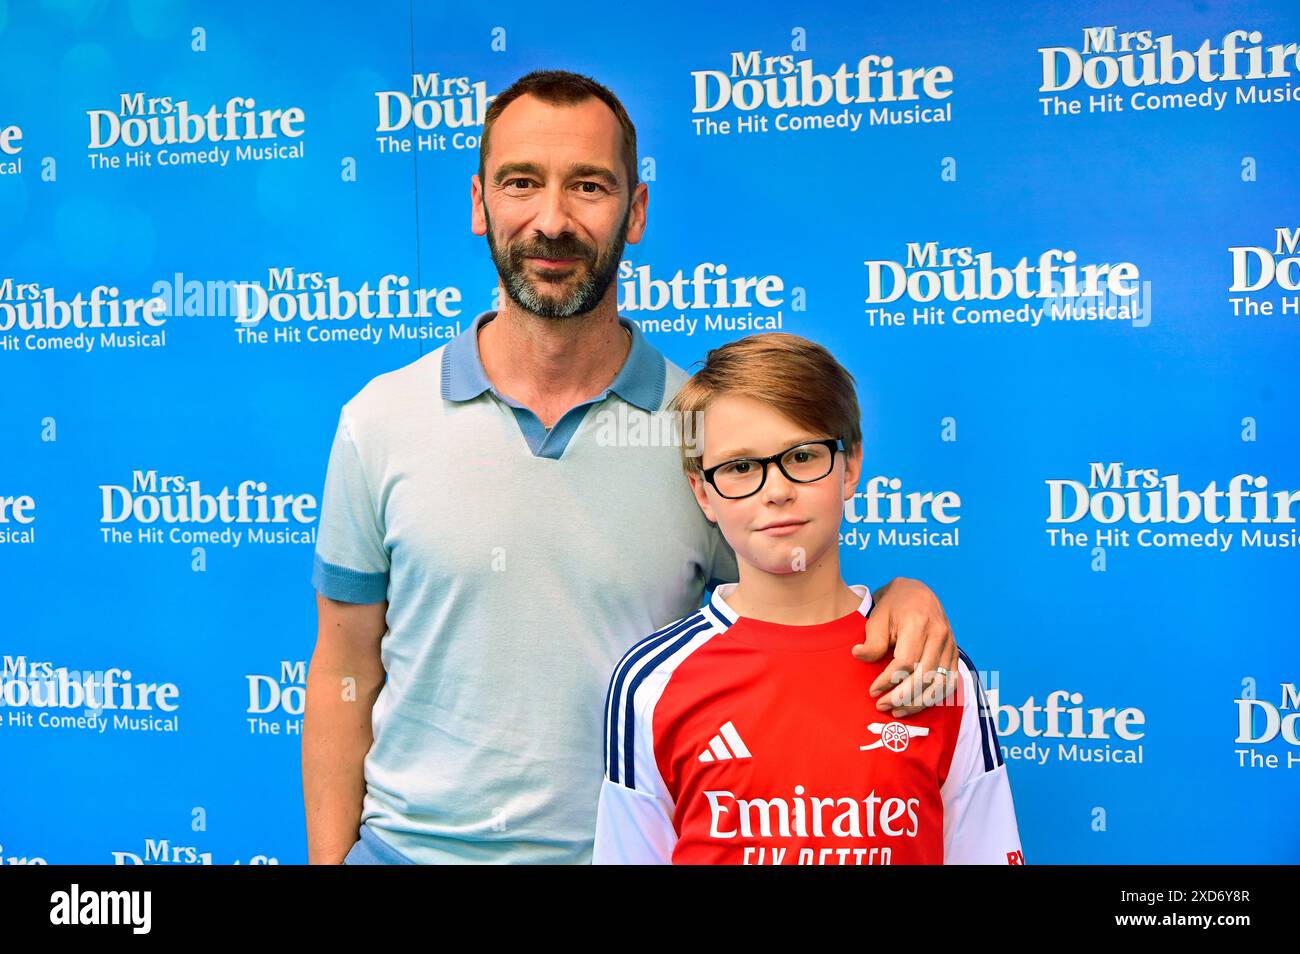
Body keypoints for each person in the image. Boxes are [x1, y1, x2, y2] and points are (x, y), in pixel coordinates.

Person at [303, 69, 961, 865]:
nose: (552, 219)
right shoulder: (379, 420)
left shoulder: (710, 433)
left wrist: (899, 595)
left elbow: (794, 604)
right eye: (522, 183)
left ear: (635, 211)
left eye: (589, 186)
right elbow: (343, 667)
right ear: (480, 203)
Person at [593, 333, 1023, 864]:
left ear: (850, 465)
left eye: (801, 455)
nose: (776, 491)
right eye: (740, 467)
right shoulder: (649, 683)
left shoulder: (931, 670)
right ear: (702, 492)